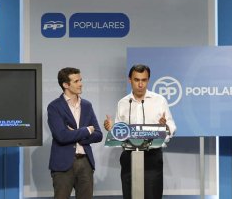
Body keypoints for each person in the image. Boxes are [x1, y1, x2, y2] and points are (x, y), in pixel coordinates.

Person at [104, 64, 176, 199]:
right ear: (129, 80)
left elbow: (171, 126)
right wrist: (112, 128)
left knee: (152, 195)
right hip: (129, 156)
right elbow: (121, 132)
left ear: (148, 80)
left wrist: (164, 127)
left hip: (152, 157)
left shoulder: (159, 100)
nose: (140, 84)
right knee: (129, 195)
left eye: (144, 80)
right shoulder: (123, 102)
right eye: (137, 80)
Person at [47, 67, 102, 199]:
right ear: (66, 85)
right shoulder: (54, 107)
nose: (80, 84)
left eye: (80, 80)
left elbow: (99, 135)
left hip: (85, 163)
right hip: (63, 164)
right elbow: (61, 136)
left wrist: (76, 135)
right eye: (76, 81)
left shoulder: (87, 105)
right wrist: (86, 130)